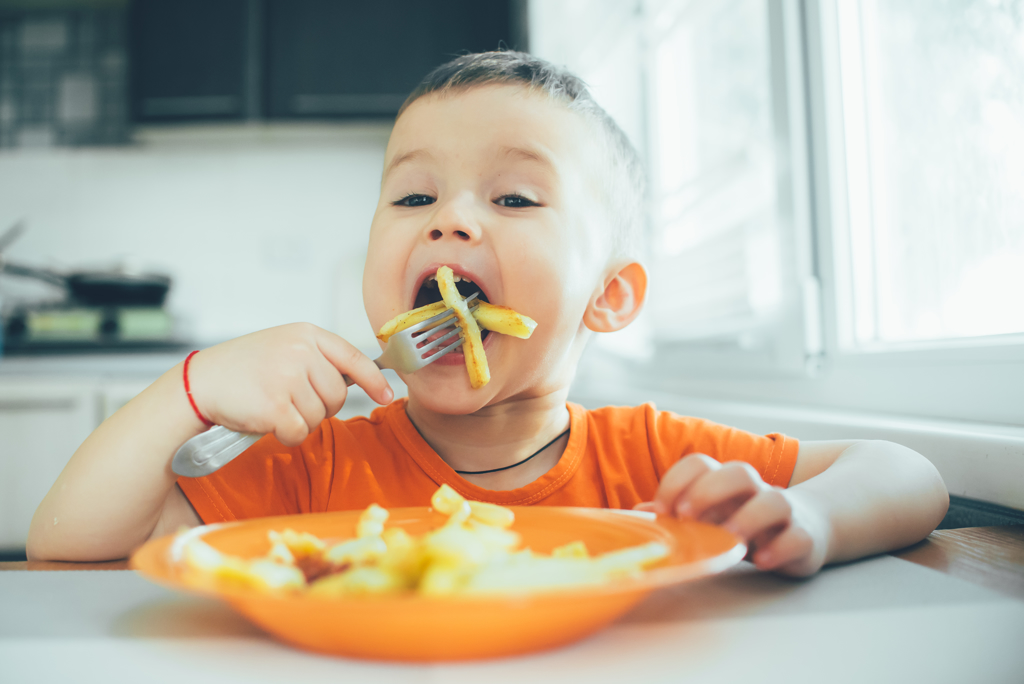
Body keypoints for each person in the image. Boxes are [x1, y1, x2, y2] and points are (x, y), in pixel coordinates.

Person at [27, 52, 948, 577]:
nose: (451, 219)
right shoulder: (315, 465)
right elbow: (65, 551)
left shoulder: (651, 461)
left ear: (608, 296)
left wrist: (807, 517)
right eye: (413, 197)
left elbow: (908, 474)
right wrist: (188, 390)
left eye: (513, 199)